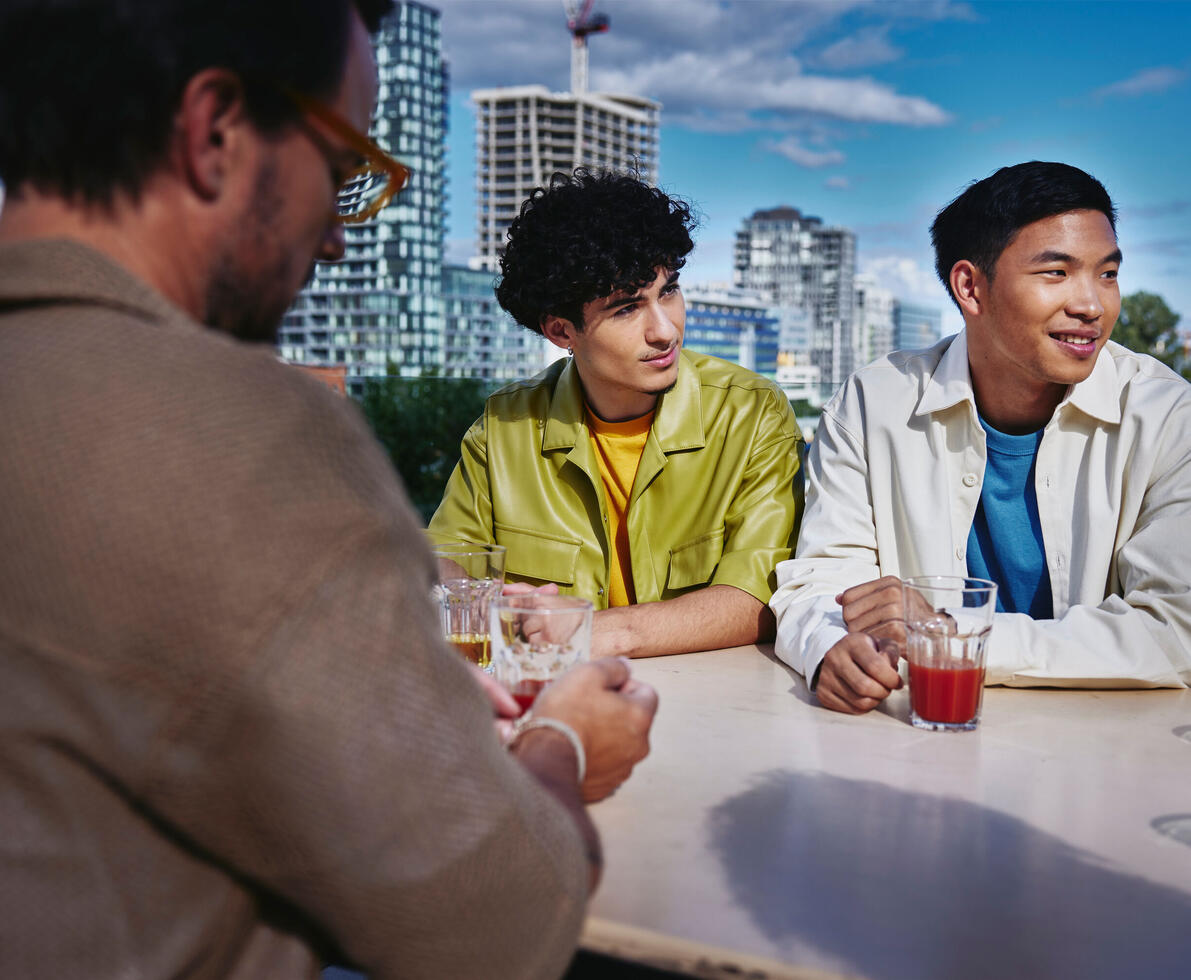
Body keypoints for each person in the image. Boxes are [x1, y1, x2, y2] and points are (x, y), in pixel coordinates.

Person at [0, 3, 657, 978]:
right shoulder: (234, 428)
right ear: (216, 131)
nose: (338, 243)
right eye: (342, 171)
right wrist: (563, 740)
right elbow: (497, 923)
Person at [770, 160, 1191, 714]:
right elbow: (822, 581)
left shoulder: (1167, 416)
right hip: (911, 733)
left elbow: (1174, 630)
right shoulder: (872, 403)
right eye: (1057, 273)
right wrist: (832, 650)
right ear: (970, 287)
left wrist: (948, 634)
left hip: (1104, 739)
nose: (1093, 305)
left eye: (1108, 274)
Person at [428, 169, 804, 659]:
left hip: (710, 693)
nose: (665, 331)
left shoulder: (752, 412)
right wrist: (492, 604)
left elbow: (763, 595)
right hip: (551, 690)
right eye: (627, 308)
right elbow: (444, 562)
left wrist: (591, 630)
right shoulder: (504, 427)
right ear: (561, 331)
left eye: (668, 291)